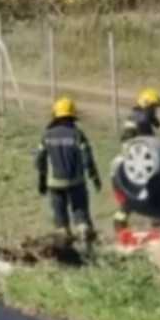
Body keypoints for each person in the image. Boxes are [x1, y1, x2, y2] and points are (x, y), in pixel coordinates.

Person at [36, 97, 101, 243]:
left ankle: (64, 242)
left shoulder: (47, 135)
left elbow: (40, 160)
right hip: (76, 182)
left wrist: (41, 181)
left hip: (55, 184)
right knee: (81, 213)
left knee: (60, 217)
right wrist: (94, 177)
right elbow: (87, 159)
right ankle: (84, 235)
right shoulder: (77, 134)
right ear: (72, 115)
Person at [113, 88, 160, 231]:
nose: (155, 112)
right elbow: (133, 141)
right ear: (147, 105)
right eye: (153, 108)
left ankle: (121, 219)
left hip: (138, 161)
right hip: (137, 163)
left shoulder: (140, 118)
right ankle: (155, 219)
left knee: (139, 191)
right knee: (147, 189)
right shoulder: (141, 120)